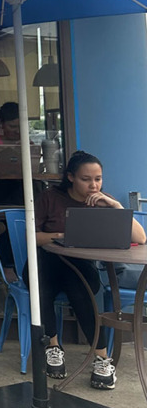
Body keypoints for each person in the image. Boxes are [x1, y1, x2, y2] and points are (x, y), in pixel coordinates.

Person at [33, 150, 146, 389]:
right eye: (87, 179)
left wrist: (115, 205)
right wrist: (62, 236)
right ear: (71, 177)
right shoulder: (50, 198)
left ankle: (102, 359)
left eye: (98, 179)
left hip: (80, 267)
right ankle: (53, 346)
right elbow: (32, 237)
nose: (94, 185)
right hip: (46, 263)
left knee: (80, 289)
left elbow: (141, 237)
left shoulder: (103, 202)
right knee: (41, 283)